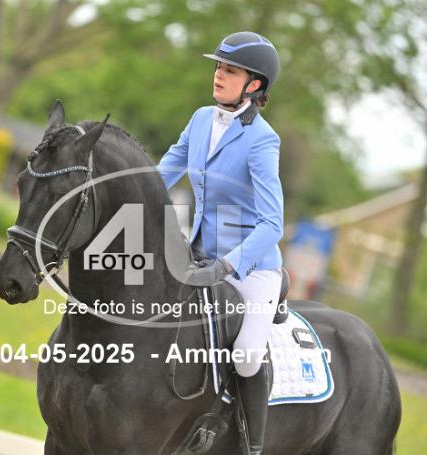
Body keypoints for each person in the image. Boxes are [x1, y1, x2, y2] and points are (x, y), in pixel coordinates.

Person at [157, 31, 283, 455]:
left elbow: (273, 223)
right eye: (217, 66)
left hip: (250, 267)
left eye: (229, 70)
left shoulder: (262, 141)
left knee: (246, 354)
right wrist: (123, 195)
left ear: (254, 84)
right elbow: (163, 173)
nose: (218, 74)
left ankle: (251, 445)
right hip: (198, 255)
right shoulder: (199, 119)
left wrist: (228, 265)